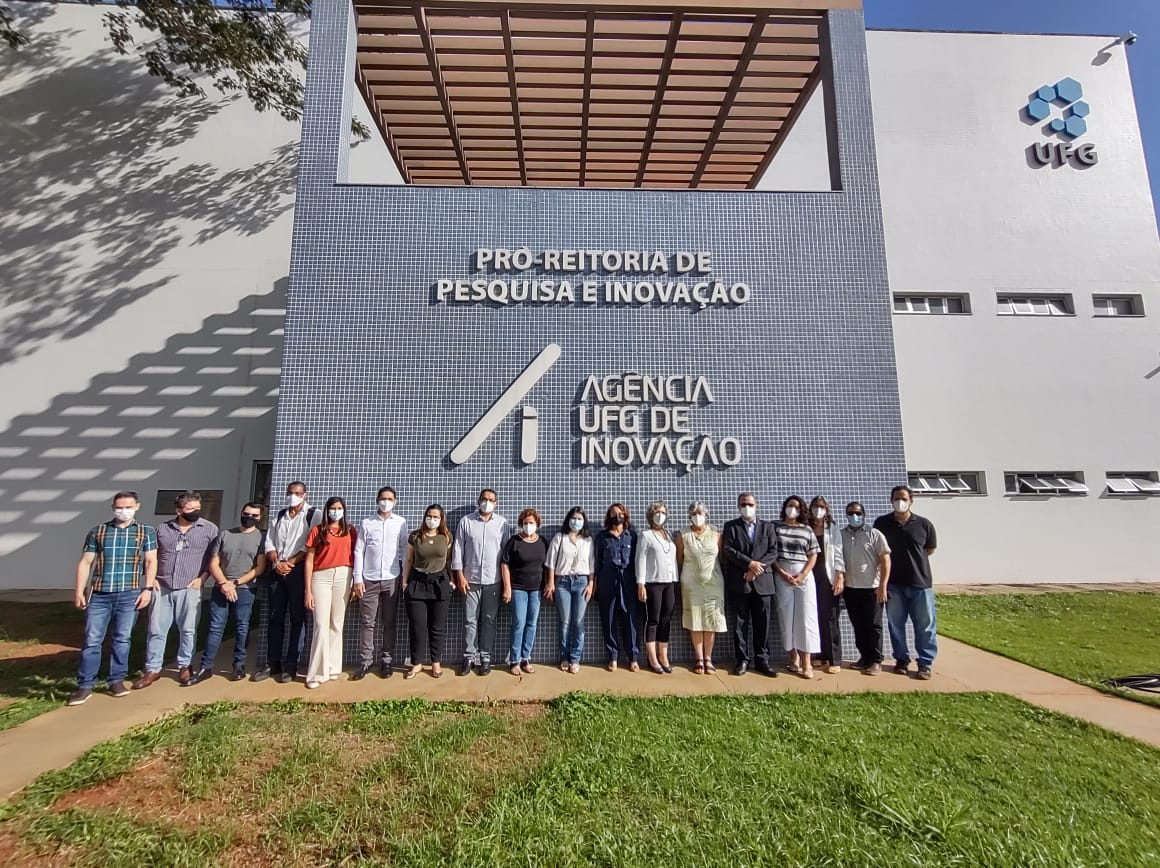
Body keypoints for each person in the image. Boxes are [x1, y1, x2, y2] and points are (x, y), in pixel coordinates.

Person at [69, 492, 158, 706]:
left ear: (137, 506)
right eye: (119, 507)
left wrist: (147, 589)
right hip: (100, 593)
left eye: (128, 506)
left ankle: (116, 680)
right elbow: (85, 562)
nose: (123, 510)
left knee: (122, 639)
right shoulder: (98, 531)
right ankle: (85, 685)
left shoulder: (145, 532)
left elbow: (150, 562)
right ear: (113, 507)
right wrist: (79, 590)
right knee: (92, 640)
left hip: (129, 593)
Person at [134, 490, 218, 689]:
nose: (195, 511)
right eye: (190, 509)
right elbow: (151, 556)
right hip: (162, 585)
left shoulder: (209, 529)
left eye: (198, 508)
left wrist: (203, 578)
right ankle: (153, 669)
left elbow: (213, 558)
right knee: (156, 629)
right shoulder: (162, 529)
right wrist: (150, 580)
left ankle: (184, 665)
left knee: (188, 629)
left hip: (190, 586)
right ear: (179, 510)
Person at [188, 502, 266, 685]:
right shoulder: (225, 534)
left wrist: (236, 583)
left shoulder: (261, 538)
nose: (249, 517)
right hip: (221, 588)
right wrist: (224, 583)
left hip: (245, 589)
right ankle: (206, 666)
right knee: (215, 627)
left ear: (260, 518)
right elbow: (214, 562)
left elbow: (260, 567)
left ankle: (239, 665)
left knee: (242, 627)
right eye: (247, 513)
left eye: (254, 515)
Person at [256, 481, 322, 683]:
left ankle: (291, 664)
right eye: (290, 492)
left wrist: (291, 563)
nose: (293, 496)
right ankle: (272, 661)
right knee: (275, 617)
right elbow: (269, 541)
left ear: (305, 495)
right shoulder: (279, 516)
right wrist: (276, 562)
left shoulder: (314, 515)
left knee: (297, 617)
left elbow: (310, 544)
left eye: (297, 493)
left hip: (298, 570)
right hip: (277, 570)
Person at [874, 485, 938, 679]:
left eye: (903, 498)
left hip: (920, 583)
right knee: (896, 624)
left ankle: (925, 663)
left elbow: (929, 549)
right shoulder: (882, 523)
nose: (899, 502)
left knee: (925, 625)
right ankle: (901, 660)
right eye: (895, 498)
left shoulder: (924, 524)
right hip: (893, 583)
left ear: (911, 500)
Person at [351, 486, 409, 679]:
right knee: (367, 622)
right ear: (377, 500)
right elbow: (358, 550)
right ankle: (366, 661)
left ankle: (386, 660)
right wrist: (357, 578)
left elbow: (404, 549)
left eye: (390, 498)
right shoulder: (367, 522)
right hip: (369, 579)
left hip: (392, 578)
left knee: (389, 622)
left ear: (395, 501)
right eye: (383, 498)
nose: (386, 501)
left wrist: (403, 576)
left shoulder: (400, 522)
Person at [452, 488, 509, 676]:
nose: (487, 502)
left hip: (493, 580)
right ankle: (469, 657)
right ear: (478, 500)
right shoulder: (466, 521)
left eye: (491, 499)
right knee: (470, 620)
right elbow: (458, 549)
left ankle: (485, 658)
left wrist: (506, 583)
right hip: (470, 579)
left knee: (489, 620)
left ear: (496, 503)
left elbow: (506, 555)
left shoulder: (502, 524)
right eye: (484, 499)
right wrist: (459, 575)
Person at [721, 492, 778, 677]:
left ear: (756, 506)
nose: (747, 507)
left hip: (763, 582)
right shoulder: (731, 527)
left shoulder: (768, 527)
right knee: (740, 623)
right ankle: (742, 660)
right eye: (743, 504)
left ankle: (762, 660)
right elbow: (729, 550)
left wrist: (755, 568)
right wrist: (748, 564)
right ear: (739, 506)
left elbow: (773, 551)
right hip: (740, 582)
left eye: (750, 504)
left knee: (763, 623)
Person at [304, 497, 356, 689]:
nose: (336, 511)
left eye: (339, 508)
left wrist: (354, 582)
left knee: (336, 623)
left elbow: (355, 556)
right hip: (321, 577)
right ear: (327, 510)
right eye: (333, 508)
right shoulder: (318, 530)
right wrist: (307, 589)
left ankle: (333, 667)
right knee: (320, 623)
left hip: (344, 575)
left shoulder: (350, 531)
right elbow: (309, 559)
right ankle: (317, 672)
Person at [401, 504, 453, 679]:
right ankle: (416, 663)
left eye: (436, 517)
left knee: (436, 627)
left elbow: (449, 561)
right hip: (417, 584)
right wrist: (404, 581)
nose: (432, 520)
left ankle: (435, 663)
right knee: (417, 626)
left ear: (441, 519)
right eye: (429, 516)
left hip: (439, 584)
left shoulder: (446, 536)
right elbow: (409, 559)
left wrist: (452, 580)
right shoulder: (415, 536)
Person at [772, 495, 821, 679]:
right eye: (790, 506)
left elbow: (813, 554)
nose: (793, 509)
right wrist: (783, 573)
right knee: (786, 616)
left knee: (806, 617)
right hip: (782, 574)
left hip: (804, 576)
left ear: (802, 511)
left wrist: (803, 574)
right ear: (784, 507)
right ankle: (793, 658)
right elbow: (772, 553)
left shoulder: (806, 530)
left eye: (797, 507)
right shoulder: (776, 528)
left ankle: (807, 662)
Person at [840, 501, 891, 675]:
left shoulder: (874, 534)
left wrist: (883, 586)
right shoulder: (841, 535)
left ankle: (876, 660)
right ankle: (864, 657)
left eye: (857, 513)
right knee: (858, 625)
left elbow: (885, 561)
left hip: (872, 588)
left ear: (864, 514)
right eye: (850, 513)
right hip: (851, 588)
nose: (854, 516)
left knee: (874, 625)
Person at [677, 501, 726, 674]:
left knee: (711, 620)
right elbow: (680, 558)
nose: (697, 516)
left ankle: (708, 658)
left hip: (714, 583)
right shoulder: (683, 534)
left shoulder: (716, 534)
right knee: (695, 619)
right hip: (691, 584)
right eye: (694, 513)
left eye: (700, 513)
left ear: (706, 515)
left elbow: (721, 557)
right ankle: (699, 658)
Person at [544, 506, 594, 674]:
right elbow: (551, 563)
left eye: (580, 519)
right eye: (574, 518)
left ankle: (575, 658)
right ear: (568, 519)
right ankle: (564, 657)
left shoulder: (587, 540)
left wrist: (591, 584)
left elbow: (592, 565)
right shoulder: (560, 537)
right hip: (563, 583)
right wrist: (551, 583)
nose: (576, 521)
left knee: (578, 622)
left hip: (582, 582)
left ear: (584, 521)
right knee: (565, 621)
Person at [501, 509, 548, 676]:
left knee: (532, 624)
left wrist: (549, 584)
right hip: (518, 588)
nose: (529, 526)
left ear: (537, 524)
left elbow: (548, 565)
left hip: (536, 589)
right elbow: (504, 564)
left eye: (532, 523)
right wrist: (507, 587)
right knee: (519, 622)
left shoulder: (542, 541)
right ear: (521, 524)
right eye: (526, 523)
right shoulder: (514, 541)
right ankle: (514, 660)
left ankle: (525, 658)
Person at [593, 503, 639, 672]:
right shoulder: (602, 537)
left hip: (628, 583)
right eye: (613, 514)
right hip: (608, 582)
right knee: (609, 619)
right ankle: (612, 656)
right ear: (609, 517)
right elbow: (597, 563)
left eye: (619, 513)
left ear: (625, 516)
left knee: (630, 620)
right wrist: (595, 585)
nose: (616, 516)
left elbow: (637, 561)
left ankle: (633, 657)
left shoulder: (632, 536)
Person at [635, 500, 678, 674]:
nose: (660, 515)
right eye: (657, 512)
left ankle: (663, 656)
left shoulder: (668, 535)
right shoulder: (645, 535)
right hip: (653, 583)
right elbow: (641, 559)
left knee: (666, 620)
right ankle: (652, 658)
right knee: (652, 620)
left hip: (670, 582)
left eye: (663, 512)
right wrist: (641, 583)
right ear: (651, 515)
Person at [807, 496, 846, 674]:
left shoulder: (833, 529)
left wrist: (839, 575)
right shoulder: (807, 528)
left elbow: (838, 553)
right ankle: (821, 655)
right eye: (815, 506)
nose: (818, 510)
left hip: (827, 576)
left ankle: (834, 658)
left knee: (830, 617)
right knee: (814, 616)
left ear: (827, 509)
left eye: (821, 507)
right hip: (810, 576)